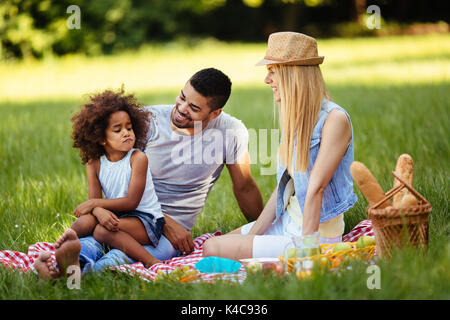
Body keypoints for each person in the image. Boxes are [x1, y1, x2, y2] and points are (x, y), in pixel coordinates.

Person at [41, 68, 264, 275]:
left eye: (194, 108)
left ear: (215, 113)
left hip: (173, 227)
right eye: (182, 97)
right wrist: (165, 223)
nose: (182, 109)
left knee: (125, 256)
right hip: (128, 210)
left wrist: (263, 231)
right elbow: (116, 173)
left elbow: (244, 186)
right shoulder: (147, 122)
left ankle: (79, 274)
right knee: (96, 240)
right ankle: (64, 267)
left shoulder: (230, 132)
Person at [202, 32, 358, 260]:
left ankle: (284, 259)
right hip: (286, 223)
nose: (267, 80)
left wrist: (307, 252)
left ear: (293, 74)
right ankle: (266, 257)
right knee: (214, 245)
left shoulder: (334, 119)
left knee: (213, 249)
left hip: (314, 236)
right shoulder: (297, 118)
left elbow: (316, 188)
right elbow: (285, 186)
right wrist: (253, 236)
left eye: (272, 72)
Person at [34, 88, 165, 278]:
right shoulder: (94, 163)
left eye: (129, 128)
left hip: (146, 221)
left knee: (102, 231)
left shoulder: (138, 158)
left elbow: (131, 202)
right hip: (117, 214)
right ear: (102, 138)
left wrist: (97, 205)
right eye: (118, 130)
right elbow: (93, 201)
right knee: (87, 220)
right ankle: (67, 245)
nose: (126, 133)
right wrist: (98, 209)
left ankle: (151, 260)